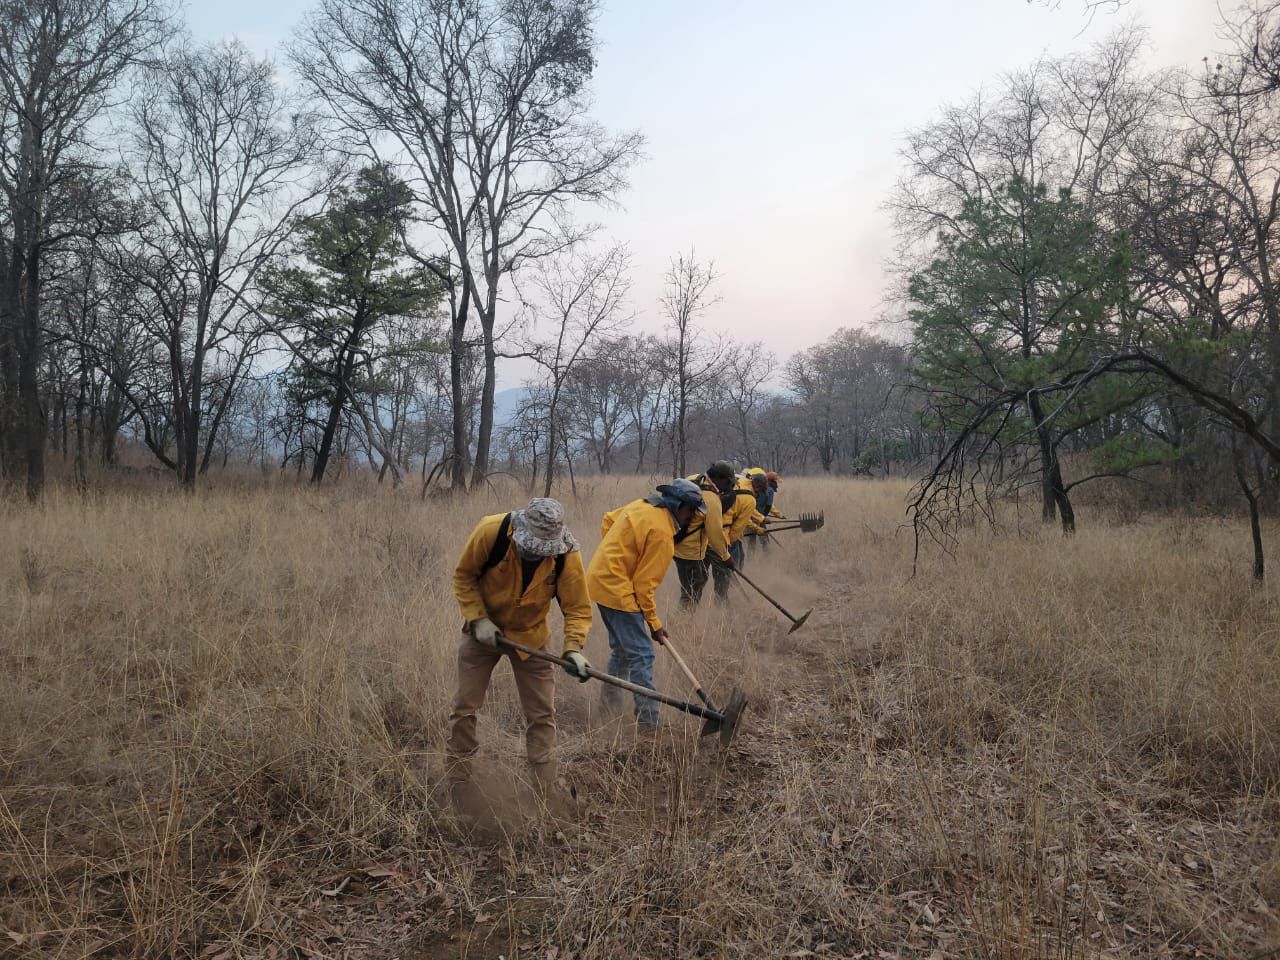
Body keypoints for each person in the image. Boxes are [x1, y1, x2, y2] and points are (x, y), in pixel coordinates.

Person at [446, 498, 592, 812]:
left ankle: (544, 795)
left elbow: (577, 608)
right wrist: (478, 618)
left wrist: (574, 649)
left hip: (532, 637)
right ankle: (457, 786)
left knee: (542, 716)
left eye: (542, 550)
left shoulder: (565, 554)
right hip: (483, 632)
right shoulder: (491, 532)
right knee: (464, 709)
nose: (535, 553)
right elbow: (464, 576)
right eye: (530, 547)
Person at [586, 479, 706, 730]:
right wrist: (655, 624)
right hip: (618, 592)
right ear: (679, 505)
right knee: (642, 654)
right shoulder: (663, 535)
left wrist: (615, 556)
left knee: (621, 652)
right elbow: (643, 587)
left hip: (598, 581)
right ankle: (649, 725)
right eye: (691, 511)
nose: (691, 517)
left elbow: (608, 519)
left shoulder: (641, 505)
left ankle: (608, 708)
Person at [671, 461, 736, 609]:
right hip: (690, 552)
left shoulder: (694, 479)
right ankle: (682, 624)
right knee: (691, 592)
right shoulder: (712, 501)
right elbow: (715, 534)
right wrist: (726, 557)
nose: (729, 487)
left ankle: (686, 619)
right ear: (719, 478)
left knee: (699, 579)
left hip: (676, 544)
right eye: (728, 482)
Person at [711, 470, 759, 600]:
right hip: (722, 540)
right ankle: (723, 602)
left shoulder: (720, 492)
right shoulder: (747, 498)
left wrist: (758, 522)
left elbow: (739, 517)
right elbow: (737, 526)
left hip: (710, 538)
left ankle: (728, 592)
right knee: (725, 572)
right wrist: (728, 546)